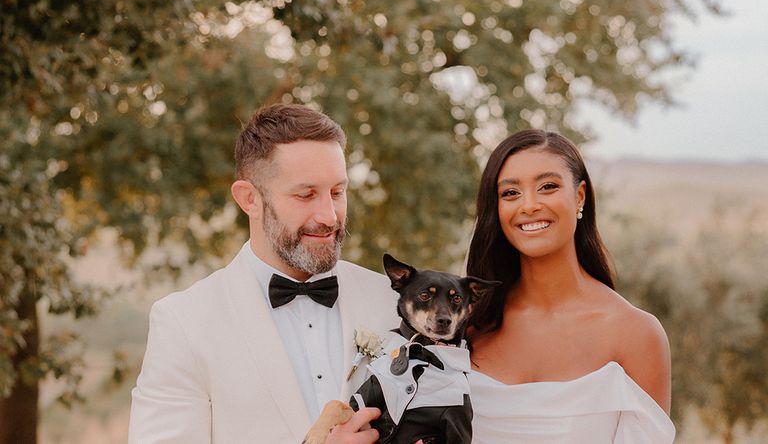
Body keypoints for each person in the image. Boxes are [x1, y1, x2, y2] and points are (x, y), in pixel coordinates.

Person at [129, 103, 399, 443]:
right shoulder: (184, 323)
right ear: (249, 199)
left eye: (337, 192)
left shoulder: (391, 300)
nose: (329, 216)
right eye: (306, 194)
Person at [465, 129, 675, 443]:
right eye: (511, 193)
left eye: (547, 187)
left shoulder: (635, 335)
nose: (529, 205)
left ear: (579, 196)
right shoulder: (466, 325)